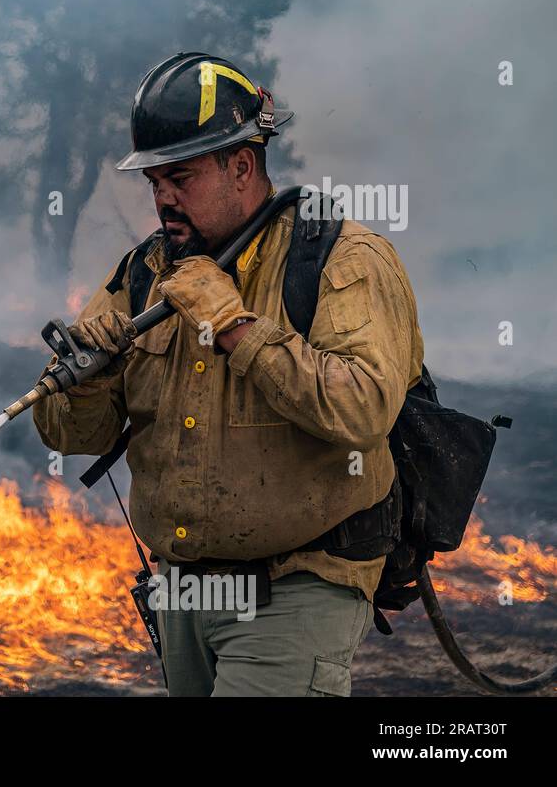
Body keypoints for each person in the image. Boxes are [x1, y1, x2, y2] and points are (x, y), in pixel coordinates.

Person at [32, 52, 424, 696]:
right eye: (154, 182)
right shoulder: (143, 274)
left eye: (180, 178)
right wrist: (89, 379)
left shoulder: (342, 259)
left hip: (295, 592)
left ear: (241, 165)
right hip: (182, 593)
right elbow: (74, 436)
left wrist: (237, 326)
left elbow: (364, 409)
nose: (162, 198)